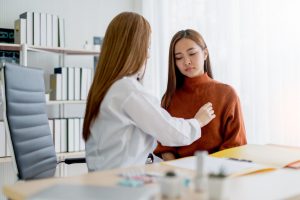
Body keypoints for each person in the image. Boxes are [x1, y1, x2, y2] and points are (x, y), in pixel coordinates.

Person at [82, 13, 216, 171]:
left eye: (192, 54)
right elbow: (170, 132)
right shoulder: (127, 91)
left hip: (104, 178)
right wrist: (198, 121)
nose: (149, 54)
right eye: (147, 46)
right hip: (119, 184)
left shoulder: (107, 86)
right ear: (135, 48)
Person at [154, 29, 247, 161]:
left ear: (205, 53)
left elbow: (236, 145)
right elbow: (164, 146)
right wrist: (180, 172)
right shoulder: (169, 98)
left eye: (192, 53)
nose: (186, 61)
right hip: (180, 175)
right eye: (179, 57)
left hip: (218, 173)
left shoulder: (227, 94)